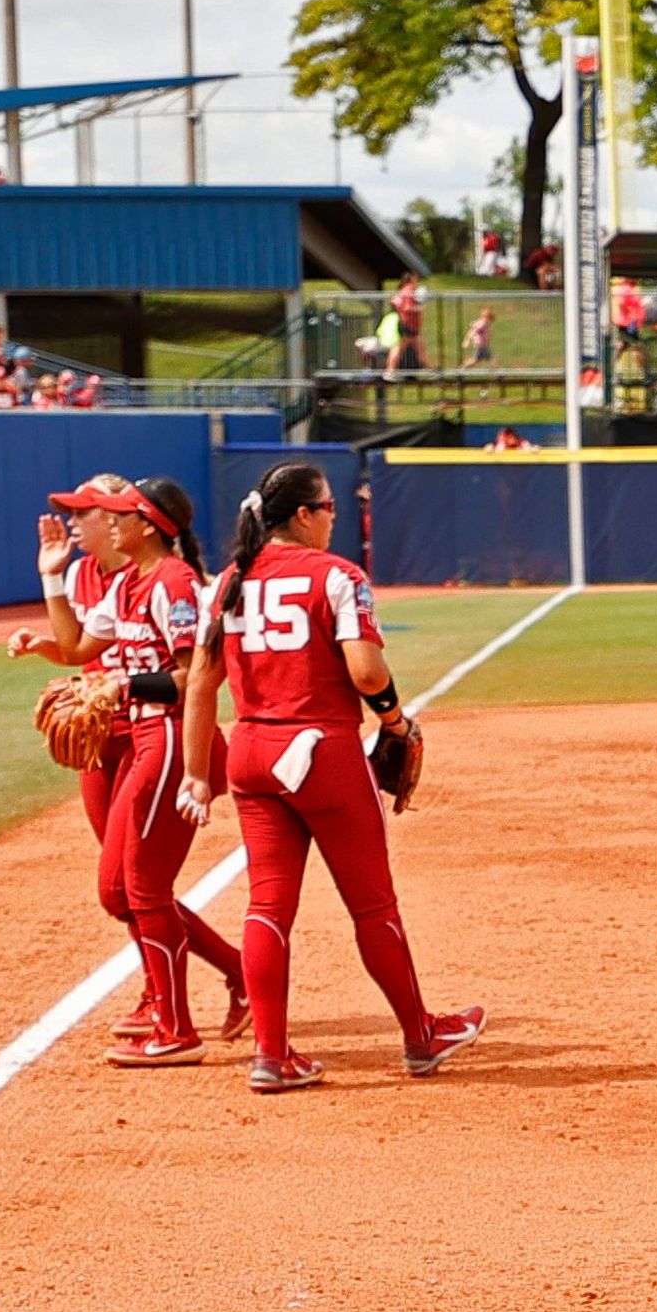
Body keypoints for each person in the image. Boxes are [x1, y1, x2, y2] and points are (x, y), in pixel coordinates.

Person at [178, 461, 481, 1092]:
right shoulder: (338, 575)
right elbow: (367, 674)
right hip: (321, 752)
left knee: (267, 904)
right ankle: (420, 1037)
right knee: (373, 905)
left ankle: (272, 1055)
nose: (335, 518)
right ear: (304, 516)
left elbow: (202, 684)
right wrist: (395, 721)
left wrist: (194, 777)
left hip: (252, 754)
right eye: (331, 508)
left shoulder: (230, 579)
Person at [11, 473, 245, 1053]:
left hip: (165, 735)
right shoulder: (125, 585)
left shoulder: (174, 582)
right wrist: (49, 577)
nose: (108, 522)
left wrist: (124, 684)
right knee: (119, 892)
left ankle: (175, 1026)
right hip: (140, 735)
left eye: (119, 514)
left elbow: (194, 675)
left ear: (147, 525)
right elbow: (78, 649)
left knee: (140, 887)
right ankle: (207, 988)